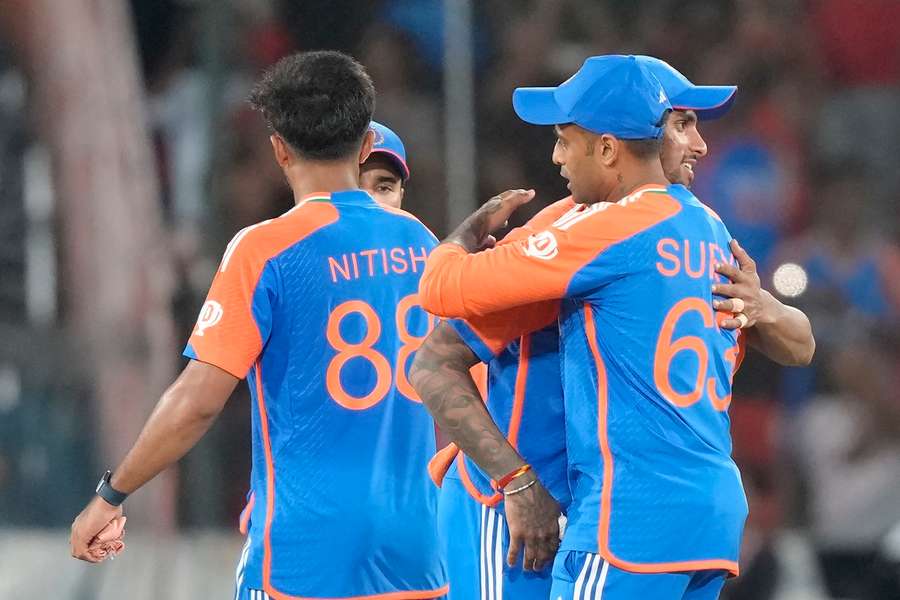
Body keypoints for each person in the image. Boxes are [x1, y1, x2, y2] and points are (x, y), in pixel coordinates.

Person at [415, 56, 814, 600]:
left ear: (609, 146)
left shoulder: (619, 231)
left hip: (617, 513)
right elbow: (436, 360)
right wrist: (516, 479)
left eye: (563, 140)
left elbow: (441, 287)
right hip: (520, 509)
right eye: (683, 123)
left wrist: (460, 238)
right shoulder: (704, 230)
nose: (699, 144)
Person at [69, 50, 448, 600]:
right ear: (366, 145)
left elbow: (199, 400)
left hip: (306, 551)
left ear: (279, 149)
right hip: (415, 546)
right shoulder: (422, 243)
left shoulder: (264, 250)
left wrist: (111, 494)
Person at [360, 120, 410, 208]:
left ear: (400, 196)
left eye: (383, 188)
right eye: (354, 188)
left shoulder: (413, 222)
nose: (370, 202)